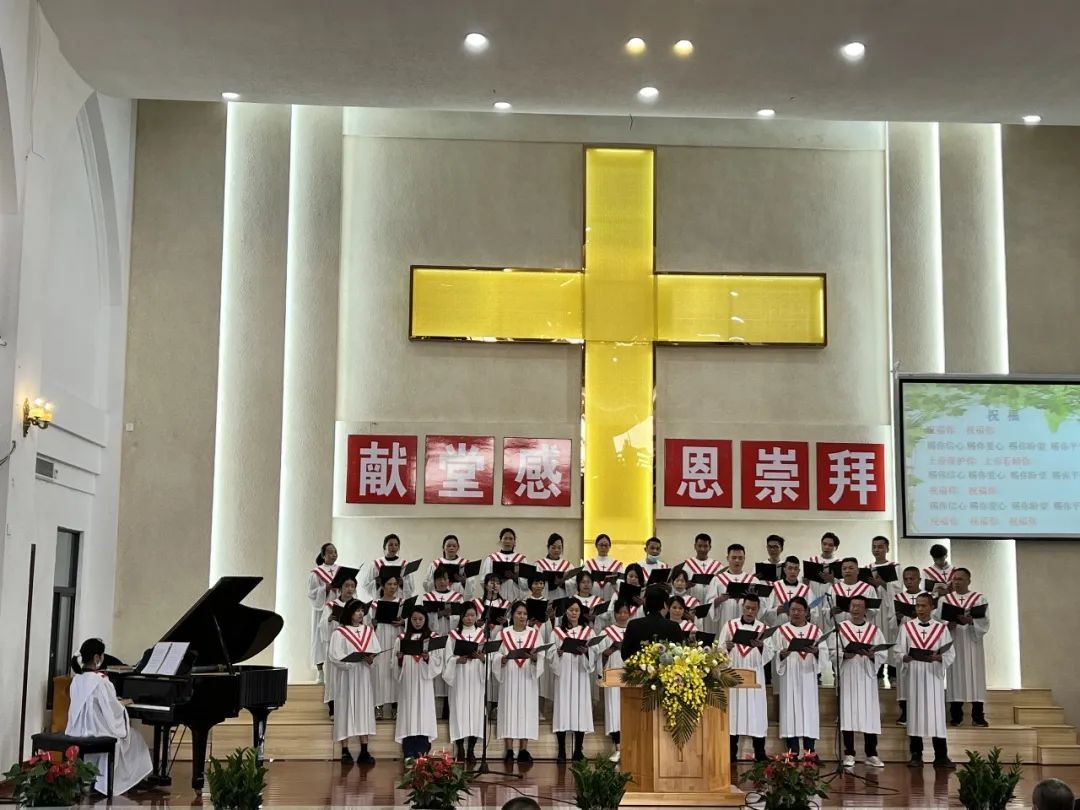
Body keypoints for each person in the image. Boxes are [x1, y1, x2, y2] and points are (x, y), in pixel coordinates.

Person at [66, 639, 153, 796]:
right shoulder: (101, 682)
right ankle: (123, 781)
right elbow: (113, 710)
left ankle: (96, 781)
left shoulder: (76, 680)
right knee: (135, 738)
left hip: (77, 730)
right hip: (98, 733)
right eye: (102, 655)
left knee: (130, 737)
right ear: (97, 658)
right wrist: (125, 702)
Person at [896, 592, 955, 768]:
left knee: (936, 714)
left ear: (932, 607)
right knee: (915, 714)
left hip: (933, 676)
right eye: (918, 606)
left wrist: (939, 659)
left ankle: (941, 755)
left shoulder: (941, 629)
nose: (920, 609)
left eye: (924, 606)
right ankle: (916, 754)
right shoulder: (907, 628)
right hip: (915, 674)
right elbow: (898, 651)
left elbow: (950, 653)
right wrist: (904, 658)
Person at [719, 594, 773, 762]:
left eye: (753, 609)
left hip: (755, 676)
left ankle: (760, 752)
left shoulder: (764, 628)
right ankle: (730, 753)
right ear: (742, 607)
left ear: (758, 610)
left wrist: (762, 646)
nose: (750, 611)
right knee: (733, 712)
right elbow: (719, 649)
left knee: (756, 712)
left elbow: (770, 654)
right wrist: (725, 648)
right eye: (747, 608)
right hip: (734, 675)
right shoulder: (729, 625)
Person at [772, 596, 829, 754]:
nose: (795, 613)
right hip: (789, 676)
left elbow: (824, 652)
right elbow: (775, 652)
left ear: (806, 612)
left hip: (808, 675)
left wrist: (816, 651)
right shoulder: (781, 631)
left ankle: (810, 751)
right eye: (792, 610)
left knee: (809, 711)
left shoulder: (815, 631)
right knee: (790, 710)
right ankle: (792, 751)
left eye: (799, 610)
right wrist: (782, 655)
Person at [837, 595, 887, 768]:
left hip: (867, 676)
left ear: (866, 610)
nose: (856, 609)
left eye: (860, 606)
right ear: (849, 608)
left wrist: (873, 656)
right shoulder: (841, 629)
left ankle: (871, 753)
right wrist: (844, 654)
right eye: (853, 606)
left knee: (869, 714)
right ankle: (849, 753)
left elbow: (882, 653)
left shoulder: (874, 631)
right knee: (848, 713)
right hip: (849, 673)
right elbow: (832, 650)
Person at [330, 599, 380, 764]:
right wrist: (348, 663)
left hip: (363, 675)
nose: (360, 613)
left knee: (363, 708)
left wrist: (370, 659)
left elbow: (375, 651)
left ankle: (364, 750)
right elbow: (334, 656)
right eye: (357, 610)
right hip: (347, 676)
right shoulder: (339, 633)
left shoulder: (368, 631)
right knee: (345, 709)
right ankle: (345, 749)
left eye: (361, 610)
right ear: (349, 613)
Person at [494, 601, 544, 763]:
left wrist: (535, 658)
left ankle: (523, 749)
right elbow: (495, 655)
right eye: (519, 613)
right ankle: (509, 749)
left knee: (526, 711)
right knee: (509, 709)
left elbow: (541, 656)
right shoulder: (503, 634)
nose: (522, 616)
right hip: (510, 676)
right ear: (512, 615)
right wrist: (501, 659)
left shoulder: (534, 634)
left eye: (524, 614)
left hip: (527, 678)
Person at [940, 567, 989, 727]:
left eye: (960, 579)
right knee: (955, 676)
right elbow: (937, 622)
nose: (957, 582)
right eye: (954, 579)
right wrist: (948, 624)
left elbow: (985, 622)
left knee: (976, 677)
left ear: (969, 580)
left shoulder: (978, 599)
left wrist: (972, 622)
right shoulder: (945, 601)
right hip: (953, 641)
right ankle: (956, 715)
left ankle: (978, 715)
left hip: (972, 643)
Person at [549, 601, 597, 762]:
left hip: (580, 674)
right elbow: (550, 653)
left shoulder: (588, 632)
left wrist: (587, 651)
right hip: (563, 673)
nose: (574, 613)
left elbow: (594, 651)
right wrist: (558, 653)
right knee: (562, 709)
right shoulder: (557, 632)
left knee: (580, 711)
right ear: (566, 612)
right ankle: (562, 751)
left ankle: (578, 751)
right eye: (571, 610)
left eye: (577, 610)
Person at [395, 607, 444, 758]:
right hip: (408, 681)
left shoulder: (432, 638)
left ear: (426, 620)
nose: (417, 622)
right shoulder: (402, 638)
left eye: (420, 619)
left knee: (424, 714)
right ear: (410, 620)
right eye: (414, 619)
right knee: (408, 713)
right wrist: (400, 657)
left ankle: (422, 750)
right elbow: (394, 665)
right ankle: (408, 750)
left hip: (424, 682)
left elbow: (438, 662)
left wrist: (428, 658)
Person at [444, 603, 487, 762]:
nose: (469, 618)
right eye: (466, 615)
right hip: (460, 677)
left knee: (475, 713)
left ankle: (471, 749)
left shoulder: (482, 635)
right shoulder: (453, 635)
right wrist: (457, 660)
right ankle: (460, 747)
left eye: (472, 615)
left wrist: (483, 659)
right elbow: (447, 658)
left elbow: (488, 656)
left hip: (476, 677)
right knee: (459, 711)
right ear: (461, 616)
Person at [424, 566, 464, 719]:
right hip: (435, 639)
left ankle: (448, 709)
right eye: (439, 579)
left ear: (449, 581)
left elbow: (461, 620)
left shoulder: (457, 597)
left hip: (451, 639)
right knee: (434, 672)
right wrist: (439, 614)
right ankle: (432, 711)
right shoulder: (428, 597)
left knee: (449, 670)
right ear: (434, 581)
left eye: (445, 579)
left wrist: (450, 616)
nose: (442, 582)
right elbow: (424, 620)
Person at [598, 601, 632, 762]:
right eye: (619, 612)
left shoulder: (634, 630)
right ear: (615, 614)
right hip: (612, 672)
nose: (622, 615)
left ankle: (630, 747)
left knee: (628, 710)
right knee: (614, 711)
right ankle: (618, 747)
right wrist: (610, 650)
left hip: (629, 674)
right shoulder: (607, 632)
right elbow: (600, 656)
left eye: (625, 612)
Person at [321, 575, 358, 717]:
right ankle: (333, 708)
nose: (349, 589)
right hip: (336, 645)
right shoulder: (331, 606)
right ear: (341, 588)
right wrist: (329, 620)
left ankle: (352, 708)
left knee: (352, 676)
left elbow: (364, 624)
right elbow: (322, 626)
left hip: (352, 646)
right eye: (346, 586)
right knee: (334, 677)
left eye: (352, 586)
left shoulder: (357, 605)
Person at [892, 566, 924, 726]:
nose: (909, 582)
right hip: (905, 639)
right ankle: (904, 712)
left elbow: (936, 619)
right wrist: (897, 618)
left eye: (912, 579)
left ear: (919, 579)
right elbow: (891, 624)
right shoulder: (899, 598)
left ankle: (922, 710)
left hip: (923, 639)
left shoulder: (927, 597)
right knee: (903, 677)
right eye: (906, 579)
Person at [372, 575, 406, 720]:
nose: (393, 587)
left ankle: (395, 706)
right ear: (383, 586)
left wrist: (404, 622)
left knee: (395, 671)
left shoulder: (403, 603)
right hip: (380, 639)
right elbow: (367, 623)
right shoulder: (374, 604)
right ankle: (378, 707)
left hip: (396, 638)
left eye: (395, 584)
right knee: (380, 673)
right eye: (389, 584)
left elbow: (413, 622)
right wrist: (372, 623)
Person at [621, 584, 685, 660]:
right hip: (665, 670)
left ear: (646, 603)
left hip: (638, 670)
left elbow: (625, 655)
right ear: (664, 604)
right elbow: (679, 654)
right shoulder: (673, 626)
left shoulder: (633, 625)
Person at [867, 535, 900, 680]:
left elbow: (898, 590)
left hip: (889, 611)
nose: (877, 550)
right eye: (874, 547)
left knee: (890, 639)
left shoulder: (895, 567)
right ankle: (878, 674)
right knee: (875, 640)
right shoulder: (868, 568)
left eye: (880, 547)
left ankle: (892, 675)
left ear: (887, 548)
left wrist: (882, 584)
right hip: (874, 612)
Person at [308, 542, 340, 682]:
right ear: (323, 555)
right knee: (319, 639)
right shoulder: (316, 572)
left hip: (337, 607)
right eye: (330, 552)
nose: (333, 554)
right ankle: (320, 671)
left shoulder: (340, 570)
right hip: (322, 609)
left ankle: (336, 670)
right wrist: (324, 589)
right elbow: (311, 593)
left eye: (335, 552)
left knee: (337, 637)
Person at [709, 544, 758, 634]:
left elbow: (761, 607)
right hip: (725, 620)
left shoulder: (753, 581)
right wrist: (719, 600)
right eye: (734, 557)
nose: (737, 561)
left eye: (740, 558)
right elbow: (709, 603)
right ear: (728, 558)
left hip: (747, 626)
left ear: (744, 559)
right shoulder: (717, 580)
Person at [361, 533, 415, 602]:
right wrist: (377, 583)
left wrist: (403, 583)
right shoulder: (376, 564)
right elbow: (366, 586)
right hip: (381, 601)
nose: (394, 547)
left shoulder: (405, 564)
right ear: (384, 547)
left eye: (396, 545)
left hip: (399, 601)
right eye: (390, 545)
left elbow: (411, 588)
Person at [478, 527, 528, 603]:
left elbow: (526, 582)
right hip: (496, 599)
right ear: (500, 541)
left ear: (514, 542)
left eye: (511, 539)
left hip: (516, 599)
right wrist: (497, 581)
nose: (508, 541)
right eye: (505, 538)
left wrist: (515, 578)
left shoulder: (521, 559)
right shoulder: (491, 559)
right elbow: (483, 580)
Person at [826, 557, 878, 630]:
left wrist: (862, 610)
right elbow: (825, 609)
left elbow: (874, 610)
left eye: (851, 568)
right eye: (844, 569)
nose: (847, 571)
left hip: (860, 629)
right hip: (839, 629)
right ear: (841, 572)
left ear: (858, 571)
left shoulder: (868, 589)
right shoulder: (833, 588)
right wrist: (831, 612)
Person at [681, 532, 725, 606]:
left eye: (705, 546)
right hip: (692, 605)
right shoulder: (686, 566)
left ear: (710, 547)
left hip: (712, 607)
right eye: (700, 546)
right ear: (695, 546)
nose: (702, 549)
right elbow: (678, 587)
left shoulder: (718, 567)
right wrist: (686, 585)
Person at [766, 556, 811, 626]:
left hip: (798, 629)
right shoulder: (774, 587)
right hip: (779, 629)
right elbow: (765, 612)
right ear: (784, 570)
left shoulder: (806, 590)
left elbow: (814, 614)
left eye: (795, 569)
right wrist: (777, 610)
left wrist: (807, 613)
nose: (793, 571)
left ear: (799, 571)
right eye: (790, 568)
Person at [581, 533, 623, 601]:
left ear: (610, 547)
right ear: (596, 546)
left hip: (611, 595)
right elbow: (583, 580)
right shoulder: (589, 564)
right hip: (593, 596)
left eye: (606, 545)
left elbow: (622, 582)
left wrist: (615, 582)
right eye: (601, 545)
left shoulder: (617, 565)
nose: (603, 547)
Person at [805, 532, 841, 602]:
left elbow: (844, 586)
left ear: (836, 548)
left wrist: (833, 580)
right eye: (824, 544)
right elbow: (804, 583)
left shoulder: (840, 564)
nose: (826, 547)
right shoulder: (812, 561)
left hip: (831, 598)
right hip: (813, 597)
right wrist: (805, 581)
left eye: (830, 545)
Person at [535, 533, 572, 600]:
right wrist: (553, 583)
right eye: (553, 547)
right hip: (545, 600)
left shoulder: (567, 565)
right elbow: (534, 583)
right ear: (548, 547)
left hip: (563, 599)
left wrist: (562, 582)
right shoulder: (539, 564)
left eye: (559, 547)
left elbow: (574, 583)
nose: (556, 550)